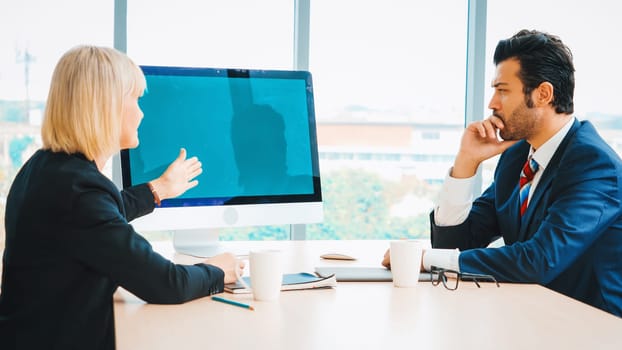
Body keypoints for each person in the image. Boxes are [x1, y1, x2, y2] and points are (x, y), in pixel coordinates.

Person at [0, 45, 245, 349]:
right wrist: (219, 270)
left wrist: (158, 189)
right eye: (136, 99)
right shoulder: (79, 192)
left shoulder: (46, 169)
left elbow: (100, 218)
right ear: (107, 106)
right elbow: (166, 284)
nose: (142, 112)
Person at [382, 29, 622, 317]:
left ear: (543, 94)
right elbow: (456, 246)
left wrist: (426, 259)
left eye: (503, 90)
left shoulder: (594, 165)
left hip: (594, 328)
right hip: (534, 316)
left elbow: (540, 260)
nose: (492, 103)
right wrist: (465, 163)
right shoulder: (517, 156)